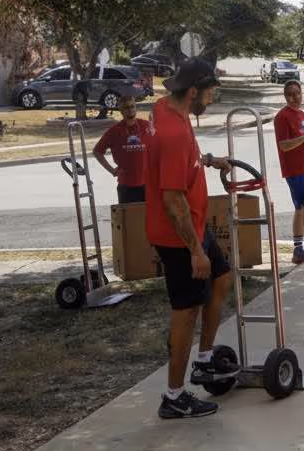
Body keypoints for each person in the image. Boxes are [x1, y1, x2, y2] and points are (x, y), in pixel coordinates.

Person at [146, 59, 239, 419]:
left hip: (193, 230)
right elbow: (172, 199)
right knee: (185, 312)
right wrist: (195, 250)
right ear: (194, 91)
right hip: (179, 238)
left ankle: (204, 359)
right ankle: (174, 396)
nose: (214, 96)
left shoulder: (168, 109)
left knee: (222, 277)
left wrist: (209, 161)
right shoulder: (174, 133)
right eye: (212, 90)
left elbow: (180, 162)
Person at [273, 80, 304, 265]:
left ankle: (298, 249)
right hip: (296, 170)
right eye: (290, 94)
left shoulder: (301, 114)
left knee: (300, 210)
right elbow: (284, 145)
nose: (294, 98)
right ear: (285, 96)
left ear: (302, 93)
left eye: (297, 93)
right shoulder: (282, 117)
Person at [93, 93, 149, 203]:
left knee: (149, 219)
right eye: (126, 108)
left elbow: (158, 146)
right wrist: (112, 171)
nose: (130, 110)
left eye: (132, 106)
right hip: (126, 186)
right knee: (129, 220)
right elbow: (97, 151)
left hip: (147, 184)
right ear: (121, 110)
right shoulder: (114, 131)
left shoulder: (146, 126)